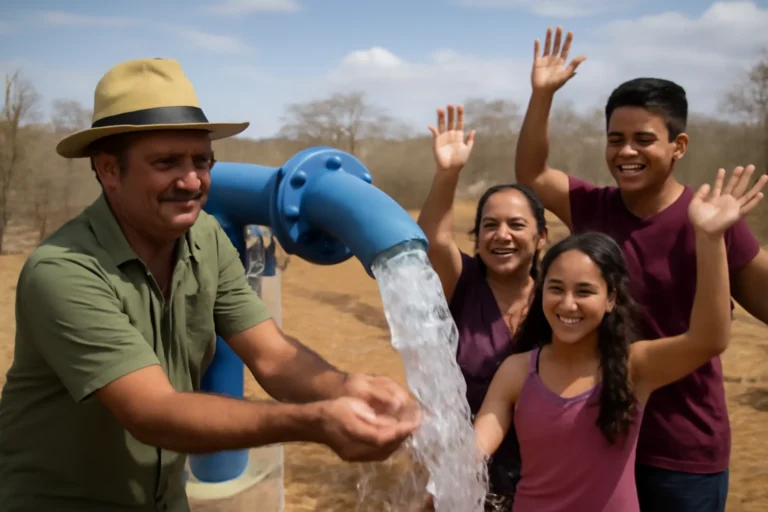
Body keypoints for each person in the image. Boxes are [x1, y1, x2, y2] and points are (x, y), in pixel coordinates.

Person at [0, 58, 421, 512]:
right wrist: (315, 421)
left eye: (202, 161)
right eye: (166, 163)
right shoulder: (65, 270)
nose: (191, 180)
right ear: (108, 170)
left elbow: (272, 356)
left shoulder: (205, 237)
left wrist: (345, 388)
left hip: (164, 497)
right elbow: (152, 413)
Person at [514, 26, 768, 511]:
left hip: (682, 450)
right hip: (597, 438)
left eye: (643, 139)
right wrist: (542, 96)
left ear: (679, 145)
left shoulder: (711, 221)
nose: (626, 152)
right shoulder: (593, 207)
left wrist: (715, 237)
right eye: (616, 139)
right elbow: (531, 174)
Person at [474, 167, 766, 512]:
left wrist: (711, 239)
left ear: (611, 299)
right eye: (555, 289)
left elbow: (709, 339)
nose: (568, 304)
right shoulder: (517, 371)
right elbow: (476, 450)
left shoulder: (634, 367)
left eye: (585, 291)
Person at [417, 104, 548, 509]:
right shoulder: (464, 282)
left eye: (516, 225)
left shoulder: (556, 297)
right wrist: (448, 174)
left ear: (542, 238)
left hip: (545, 475)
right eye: (490, 225)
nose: (501, 235)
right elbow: (434, 241)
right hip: (467, 474)